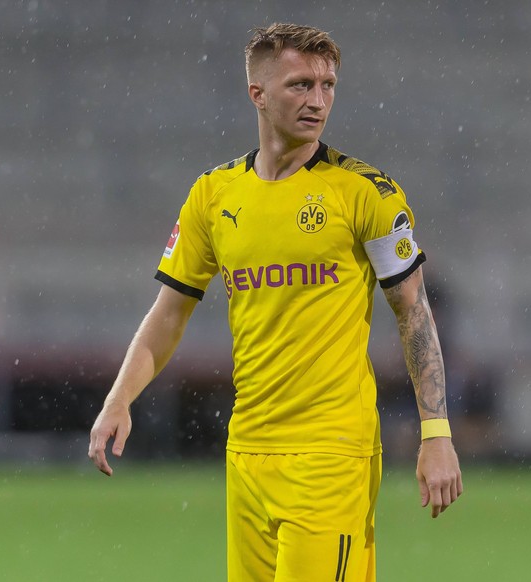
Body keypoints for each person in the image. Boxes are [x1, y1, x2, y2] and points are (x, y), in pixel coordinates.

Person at [87, 22, 462, 582]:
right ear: (256, 94)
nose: (318, 100)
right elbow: (169, 312)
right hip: (248, 452)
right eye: (300, 85)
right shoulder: (214, 195)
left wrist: (436, 434)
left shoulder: (366, 193)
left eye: (328, 85)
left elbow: (414, 312)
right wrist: (120, 398)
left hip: (332, 454)